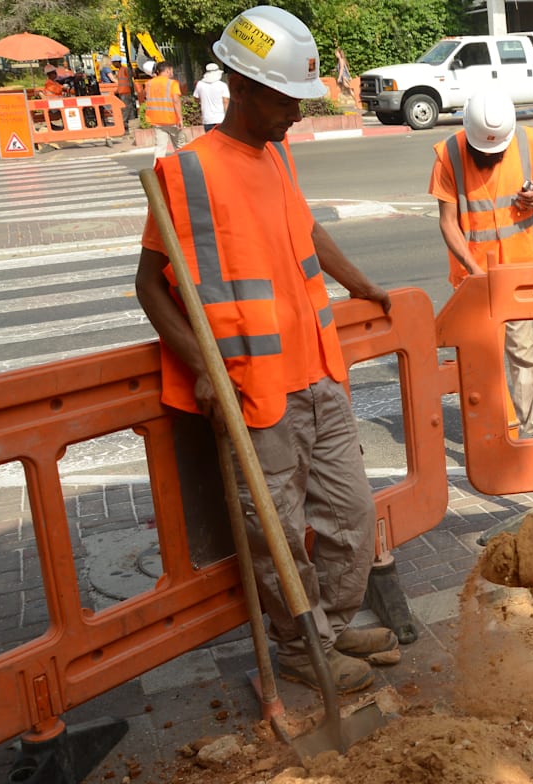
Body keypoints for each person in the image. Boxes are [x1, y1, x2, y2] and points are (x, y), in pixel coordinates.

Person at [134, 5, 398, 694]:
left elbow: (306, 236)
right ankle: (301, 648)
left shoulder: (278, 155)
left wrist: (364, 284)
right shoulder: (184, 176)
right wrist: (205, 369)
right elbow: (149, 286)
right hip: (254, 388)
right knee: (275, 535)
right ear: (239, 86)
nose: (295, 115)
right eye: (285, 100)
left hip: (317, 372)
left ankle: (332, 628)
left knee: (351, 515)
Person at [429, 88, 533, 438]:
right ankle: (493, 434)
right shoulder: (449, 155)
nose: (492, 157)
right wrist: (474, 271)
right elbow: (447, 222)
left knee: (525, 354)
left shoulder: (528, 141)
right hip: (473, 278)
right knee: (481, 360)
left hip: (518, 274)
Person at [144, 61, 185, 158]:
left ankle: (157, 171)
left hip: (156, 120)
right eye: (171, 71)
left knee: (160, 148)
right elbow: (176, 101)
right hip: (171, 120)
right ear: (167, 70)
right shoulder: (172, 83)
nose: (172, 73)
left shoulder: (149, 84)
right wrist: (180, 119)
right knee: (180, 147)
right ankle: (183, 168)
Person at [192, 62, 230, 131]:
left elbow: (196, 99)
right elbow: (225, 101)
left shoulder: (200, 84)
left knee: (210, 140)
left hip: (207, 119)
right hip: (221, 119)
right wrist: (228, 118)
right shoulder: (222, 85)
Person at [112, 56, 137, 138]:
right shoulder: (120, 71)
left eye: (114, 62)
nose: (113, 64)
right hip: (123, 92)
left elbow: (132, 76)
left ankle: (125, 125)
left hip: (126, 92)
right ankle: (129, 125)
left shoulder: (125, 69)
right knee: (127, 108)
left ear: (118, 62)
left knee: (126, 109)